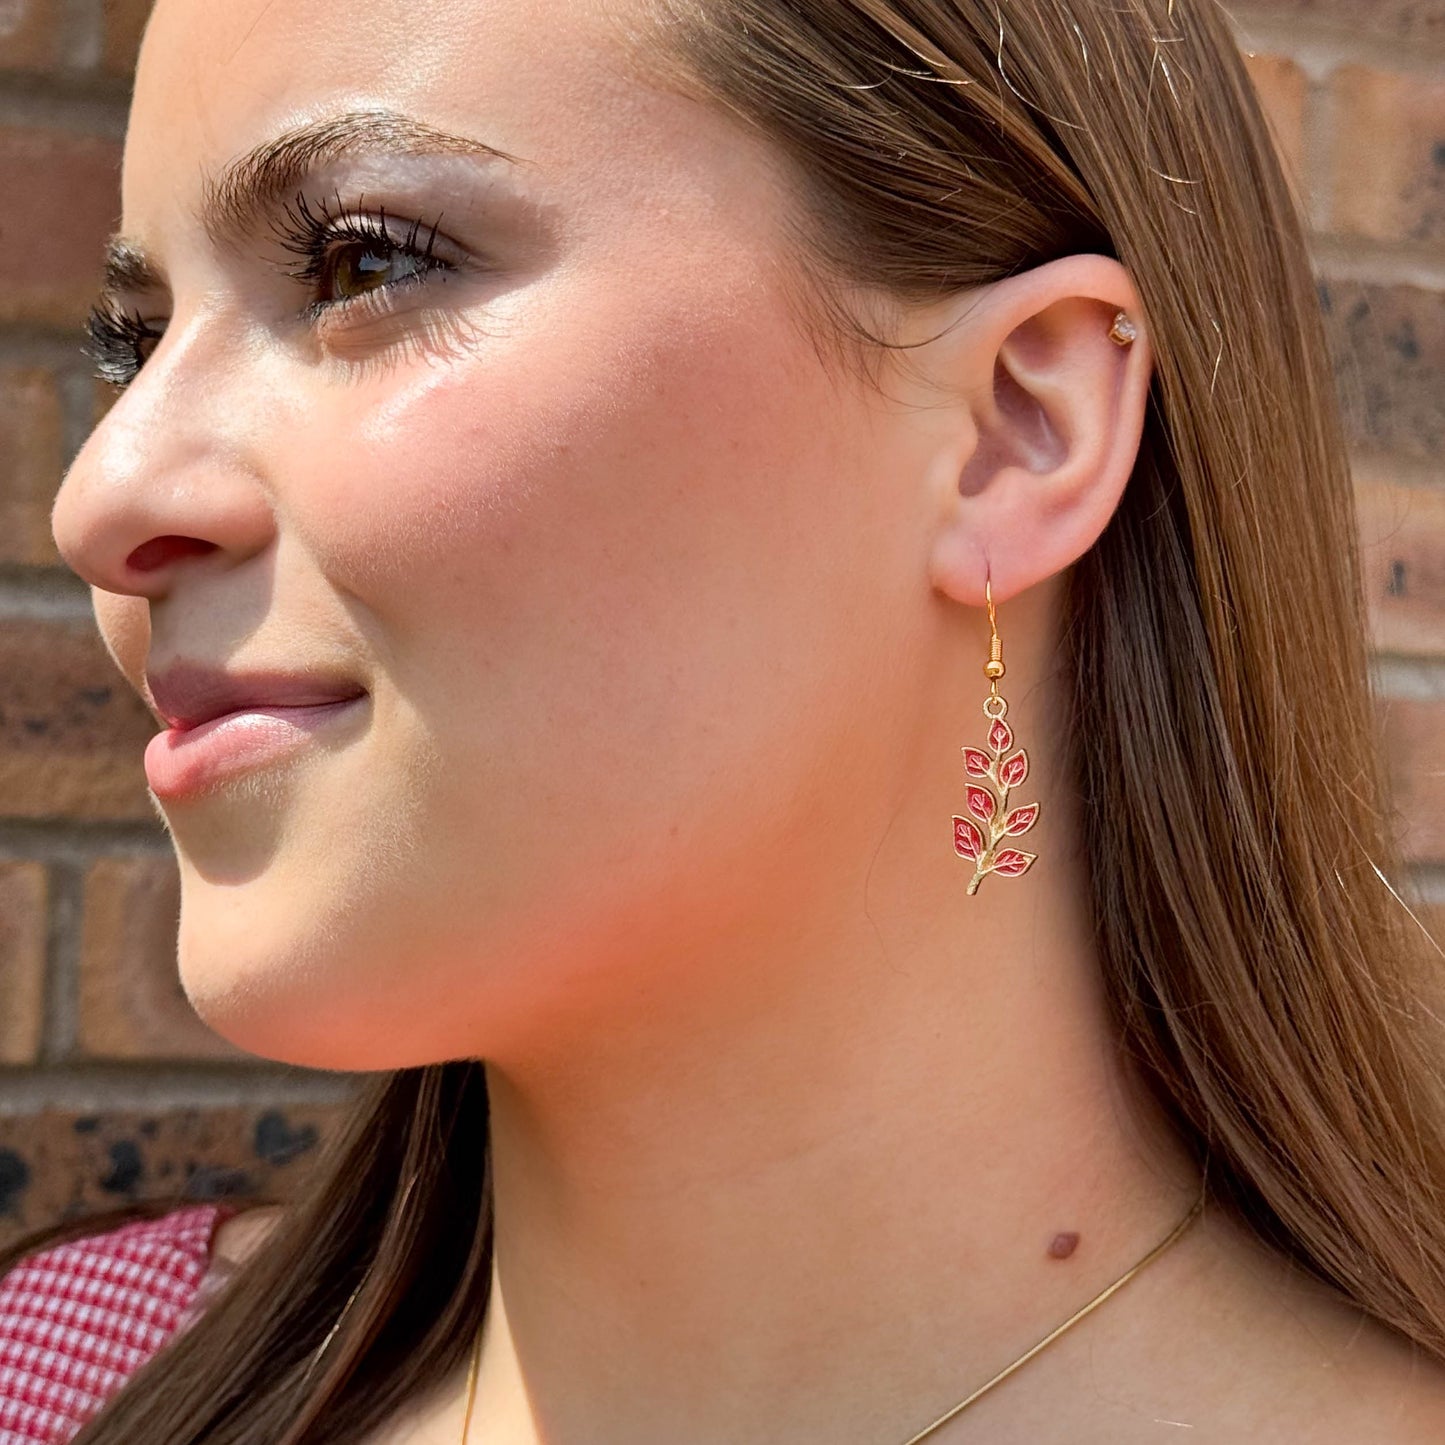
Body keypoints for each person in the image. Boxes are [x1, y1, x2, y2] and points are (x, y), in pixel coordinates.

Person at [8, 0, 1444, 1440]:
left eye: (360, 262)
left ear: (1019, 426)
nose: (102, 497)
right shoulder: (60, 1382)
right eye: (134, 340)